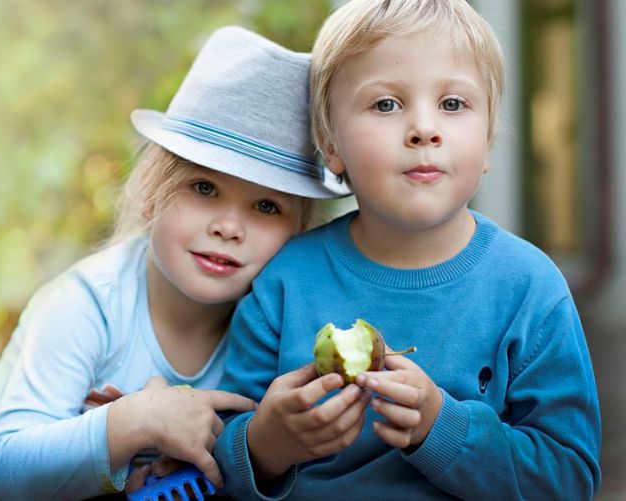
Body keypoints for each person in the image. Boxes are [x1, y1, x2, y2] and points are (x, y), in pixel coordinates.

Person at [0, 26, 349, 501]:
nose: (228, 227)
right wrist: (137, 421)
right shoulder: (89, 301)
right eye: (203, 188)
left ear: (299, 233)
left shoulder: (273, 327)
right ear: (150, 193)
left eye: (265, 207)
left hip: (141, 489)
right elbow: (3, 469)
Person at [212, 1, 602, 499]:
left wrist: (443, 429)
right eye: (386, 105)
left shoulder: (530, 288)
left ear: (488, 141)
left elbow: (569, 480)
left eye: (453, 104)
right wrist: (266, 445)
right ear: (330, 144)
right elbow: (219, 452)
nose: (424, 129)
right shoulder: (284, 283)